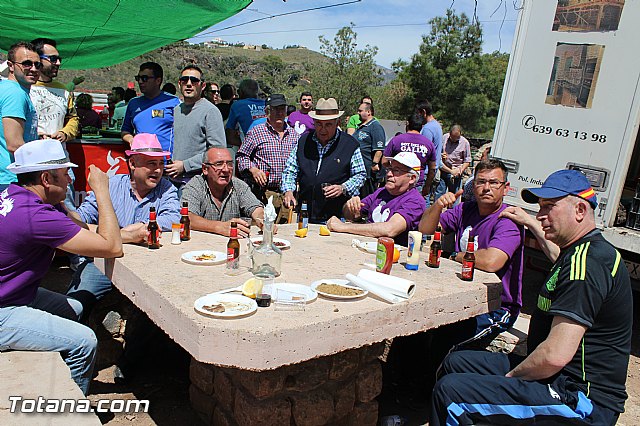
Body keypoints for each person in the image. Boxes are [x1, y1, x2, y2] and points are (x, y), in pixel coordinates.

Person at [431, 169, 632, 426]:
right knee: (456, 361)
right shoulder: (581, 251)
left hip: (580, 399)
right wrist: (532, 223)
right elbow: (556, 255)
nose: (541, 215)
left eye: (549, 207)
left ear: (580, 210)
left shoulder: (587, 265)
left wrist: (508, 380)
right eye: (539, 207)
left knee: (451, 392)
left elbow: (554, 356)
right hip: (558, 377)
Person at [0, 139, 122, 395]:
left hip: (17, 295)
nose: (70, 180)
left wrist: (124, 234)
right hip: (4, 309)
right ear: (46, 178)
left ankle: (55, 381)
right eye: (66, 173)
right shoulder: (36, 216)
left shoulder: (17, 195)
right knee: (84, 341)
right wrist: (101, 191)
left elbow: (77, 230)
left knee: (73, 308)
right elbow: (112, 247)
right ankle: (63, 413)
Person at [67, 133, 180, 315]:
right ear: (132, 164)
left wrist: (142, 226)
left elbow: (174, 218)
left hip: (148, 268)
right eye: (151, 164)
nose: (158, 171)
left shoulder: (166, 188)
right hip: (104, 263)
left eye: (161, 164)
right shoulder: (110, 185)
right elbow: (83, 218)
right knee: (75, 306)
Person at [418, 159, 525, 349]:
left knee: (447, 343)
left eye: (493, 183)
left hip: (495, 307)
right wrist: (437, 206)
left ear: (505, 188)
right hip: (460, 299)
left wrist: (456, 256)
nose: (486, 188)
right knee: (417, 327)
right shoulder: (465, 209)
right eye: (481, 182)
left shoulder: (508, 220)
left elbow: (492, 261)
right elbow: (425, 229)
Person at [281, 97, 367, 223]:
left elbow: (360, 174)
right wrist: (288, 190)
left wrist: (343, 188)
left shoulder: (349, 144)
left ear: (337, 123)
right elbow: (290, 169)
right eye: (319, 124)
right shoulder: (304, 141)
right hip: (305, 213)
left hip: (336, 217)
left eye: (328, 125)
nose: (323, 129)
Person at [327, 152, 425, 246]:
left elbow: (390, 229)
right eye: (389, 169)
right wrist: (350, 206)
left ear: (411, 178)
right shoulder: (382, 192)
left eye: (396, 170)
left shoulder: (415, 201)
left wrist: (343, 227)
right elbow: (352, 215)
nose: (389, 174)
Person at [236, 94, 298, 222]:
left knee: (285, 233)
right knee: (260, 231)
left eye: (282, 109)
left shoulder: (294, 135)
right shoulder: (256, 132)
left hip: (286, 196)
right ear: (267, 111)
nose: (279, 113)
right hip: (262, 194)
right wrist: (253, 170)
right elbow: (241, 157)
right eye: (275, 109)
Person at [181, 147, 265, 238]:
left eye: (229, 164)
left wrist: (263, 220)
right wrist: (219, 227)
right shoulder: (195, 186)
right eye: (219, 164)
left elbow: (255, 207)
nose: (226, 169)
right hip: (201, 246)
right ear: (205, 169)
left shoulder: (239, 185)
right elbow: (188, 218)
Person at [166, 65, 225, 191]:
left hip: (195, 184)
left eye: (194, 81)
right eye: (184, 80)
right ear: (179, 84)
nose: (189, 84)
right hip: (170, 182)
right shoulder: (176, 111)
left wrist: (185, 165)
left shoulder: (210, 111)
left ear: (202, 86)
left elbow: (217, 151)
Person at [0, 41, 39, 190]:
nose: (34, 69)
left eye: (38, 65)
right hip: (11, 178)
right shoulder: (15, 94)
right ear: (11, 65)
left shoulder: (8, 89)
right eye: (27, 64)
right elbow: (14, 144)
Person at [121, 62, 180, 153]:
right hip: (141, 161)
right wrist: (131, 139)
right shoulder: (133, 103)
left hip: (167, 162)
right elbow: (125, 131)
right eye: (138, 78)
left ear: (158, 81)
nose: (140, 82)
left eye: (145, 78)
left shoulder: (173, 102)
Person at [29, 38, 80, 144]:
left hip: (58, 155)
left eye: (59, 59)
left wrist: (65, 133)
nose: (58, 63)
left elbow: (73, 118)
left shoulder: (64, 90)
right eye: (52, 59)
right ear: (37, 59)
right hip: (29, 153)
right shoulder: (24, 87)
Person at [384, 112, 437, 195]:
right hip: (417, 184)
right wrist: (427, 186)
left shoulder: (396, 140)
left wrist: (393, 170)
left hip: (397, 182)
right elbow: (432, 168)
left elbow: (384, 161)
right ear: (421, 126)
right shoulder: (428, 144)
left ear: (407, 124)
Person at [225, 79, 266, 157]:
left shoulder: (237, 105)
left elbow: (229, 136)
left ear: (241, 92)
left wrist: (246, 144)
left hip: (250, 153)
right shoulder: (266, 104)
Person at [353, 101, 386, 197]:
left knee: (367, 197)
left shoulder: (375, 127)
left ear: (368, 112)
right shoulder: (361, 126)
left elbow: (379, 149)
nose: (358, 113)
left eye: (360, 111)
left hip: (368, 172)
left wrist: (374, 163)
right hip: (358, 169)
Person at [417, 99, 443, 206]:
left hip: (425, 172)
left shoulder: (428, 129)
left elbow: (424, 152)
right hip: (432, 171)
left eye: (418, 113)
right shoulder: (437, 126)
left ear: (423, 112)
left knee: (421, 201)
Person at [440, 124, 471, 196]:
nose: (454, 140)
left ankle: (454, 207)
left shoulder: (465, 143)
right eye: (452, 138)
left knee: (454, 194)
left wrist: (460, 170)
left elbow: (467, 160)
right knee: (439, 192)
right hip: (444, 169)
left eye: (456, 138)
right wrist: (442, 155)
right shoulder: (444, 137)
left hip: (456, 172)